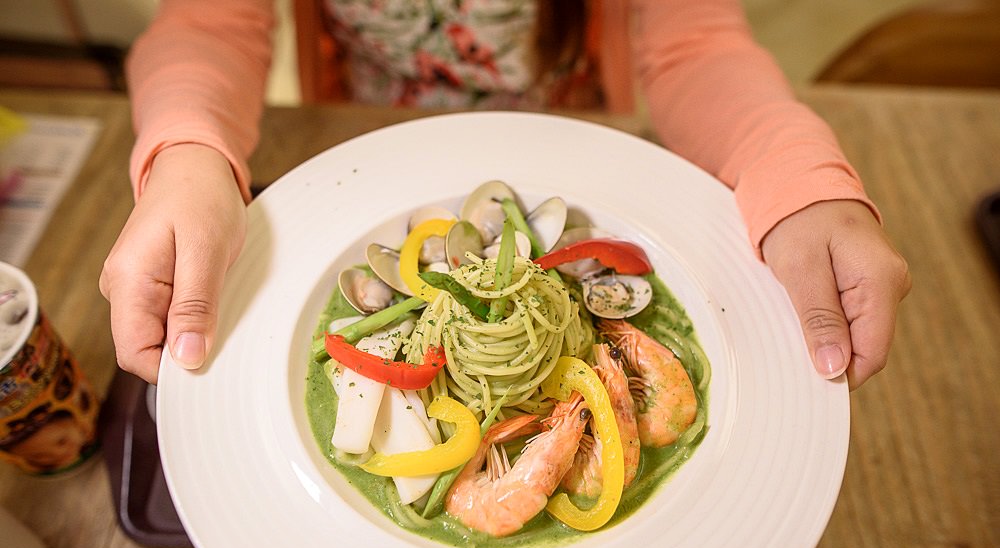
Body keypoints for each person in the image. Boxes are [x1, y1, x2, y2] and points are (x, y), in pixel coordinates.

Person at [100, 0, 910, 388]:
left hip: (582, 149)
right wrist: (185, 154)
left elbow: (695, 46)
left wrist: (798, 177)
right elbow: (208, 26)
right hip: (368, 149)